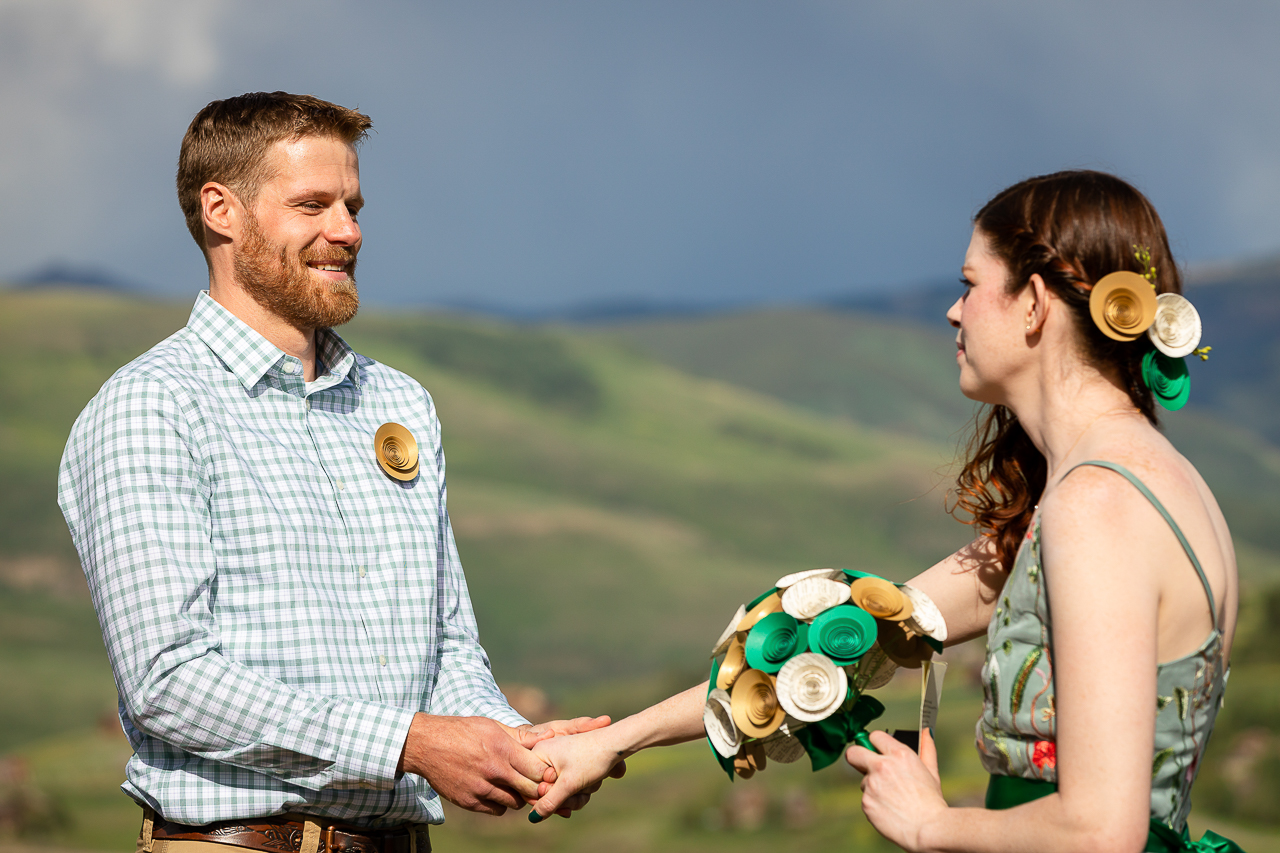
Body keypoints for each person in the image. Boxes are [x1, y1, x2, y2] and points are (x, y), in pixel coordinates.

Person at [524, 170, 1240, 853]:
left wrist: (933, 823)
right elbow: (856, 632)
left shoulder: (1097, 505)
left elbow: (1100, 831)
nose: (954, 311)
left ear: (1033, 303)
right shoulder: (1138, 486)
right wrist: (612, 741)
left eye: (969, 285)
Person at [57, 91, 609, 853]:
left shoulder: (400, 402)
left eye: (353, 204)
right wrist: (409, 744)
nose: (346, 231)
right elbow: (168, 682)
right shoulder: (151, 407)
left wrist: (520, 747)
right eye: (312, 204)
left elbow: (446, 647)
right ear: (221, 209)